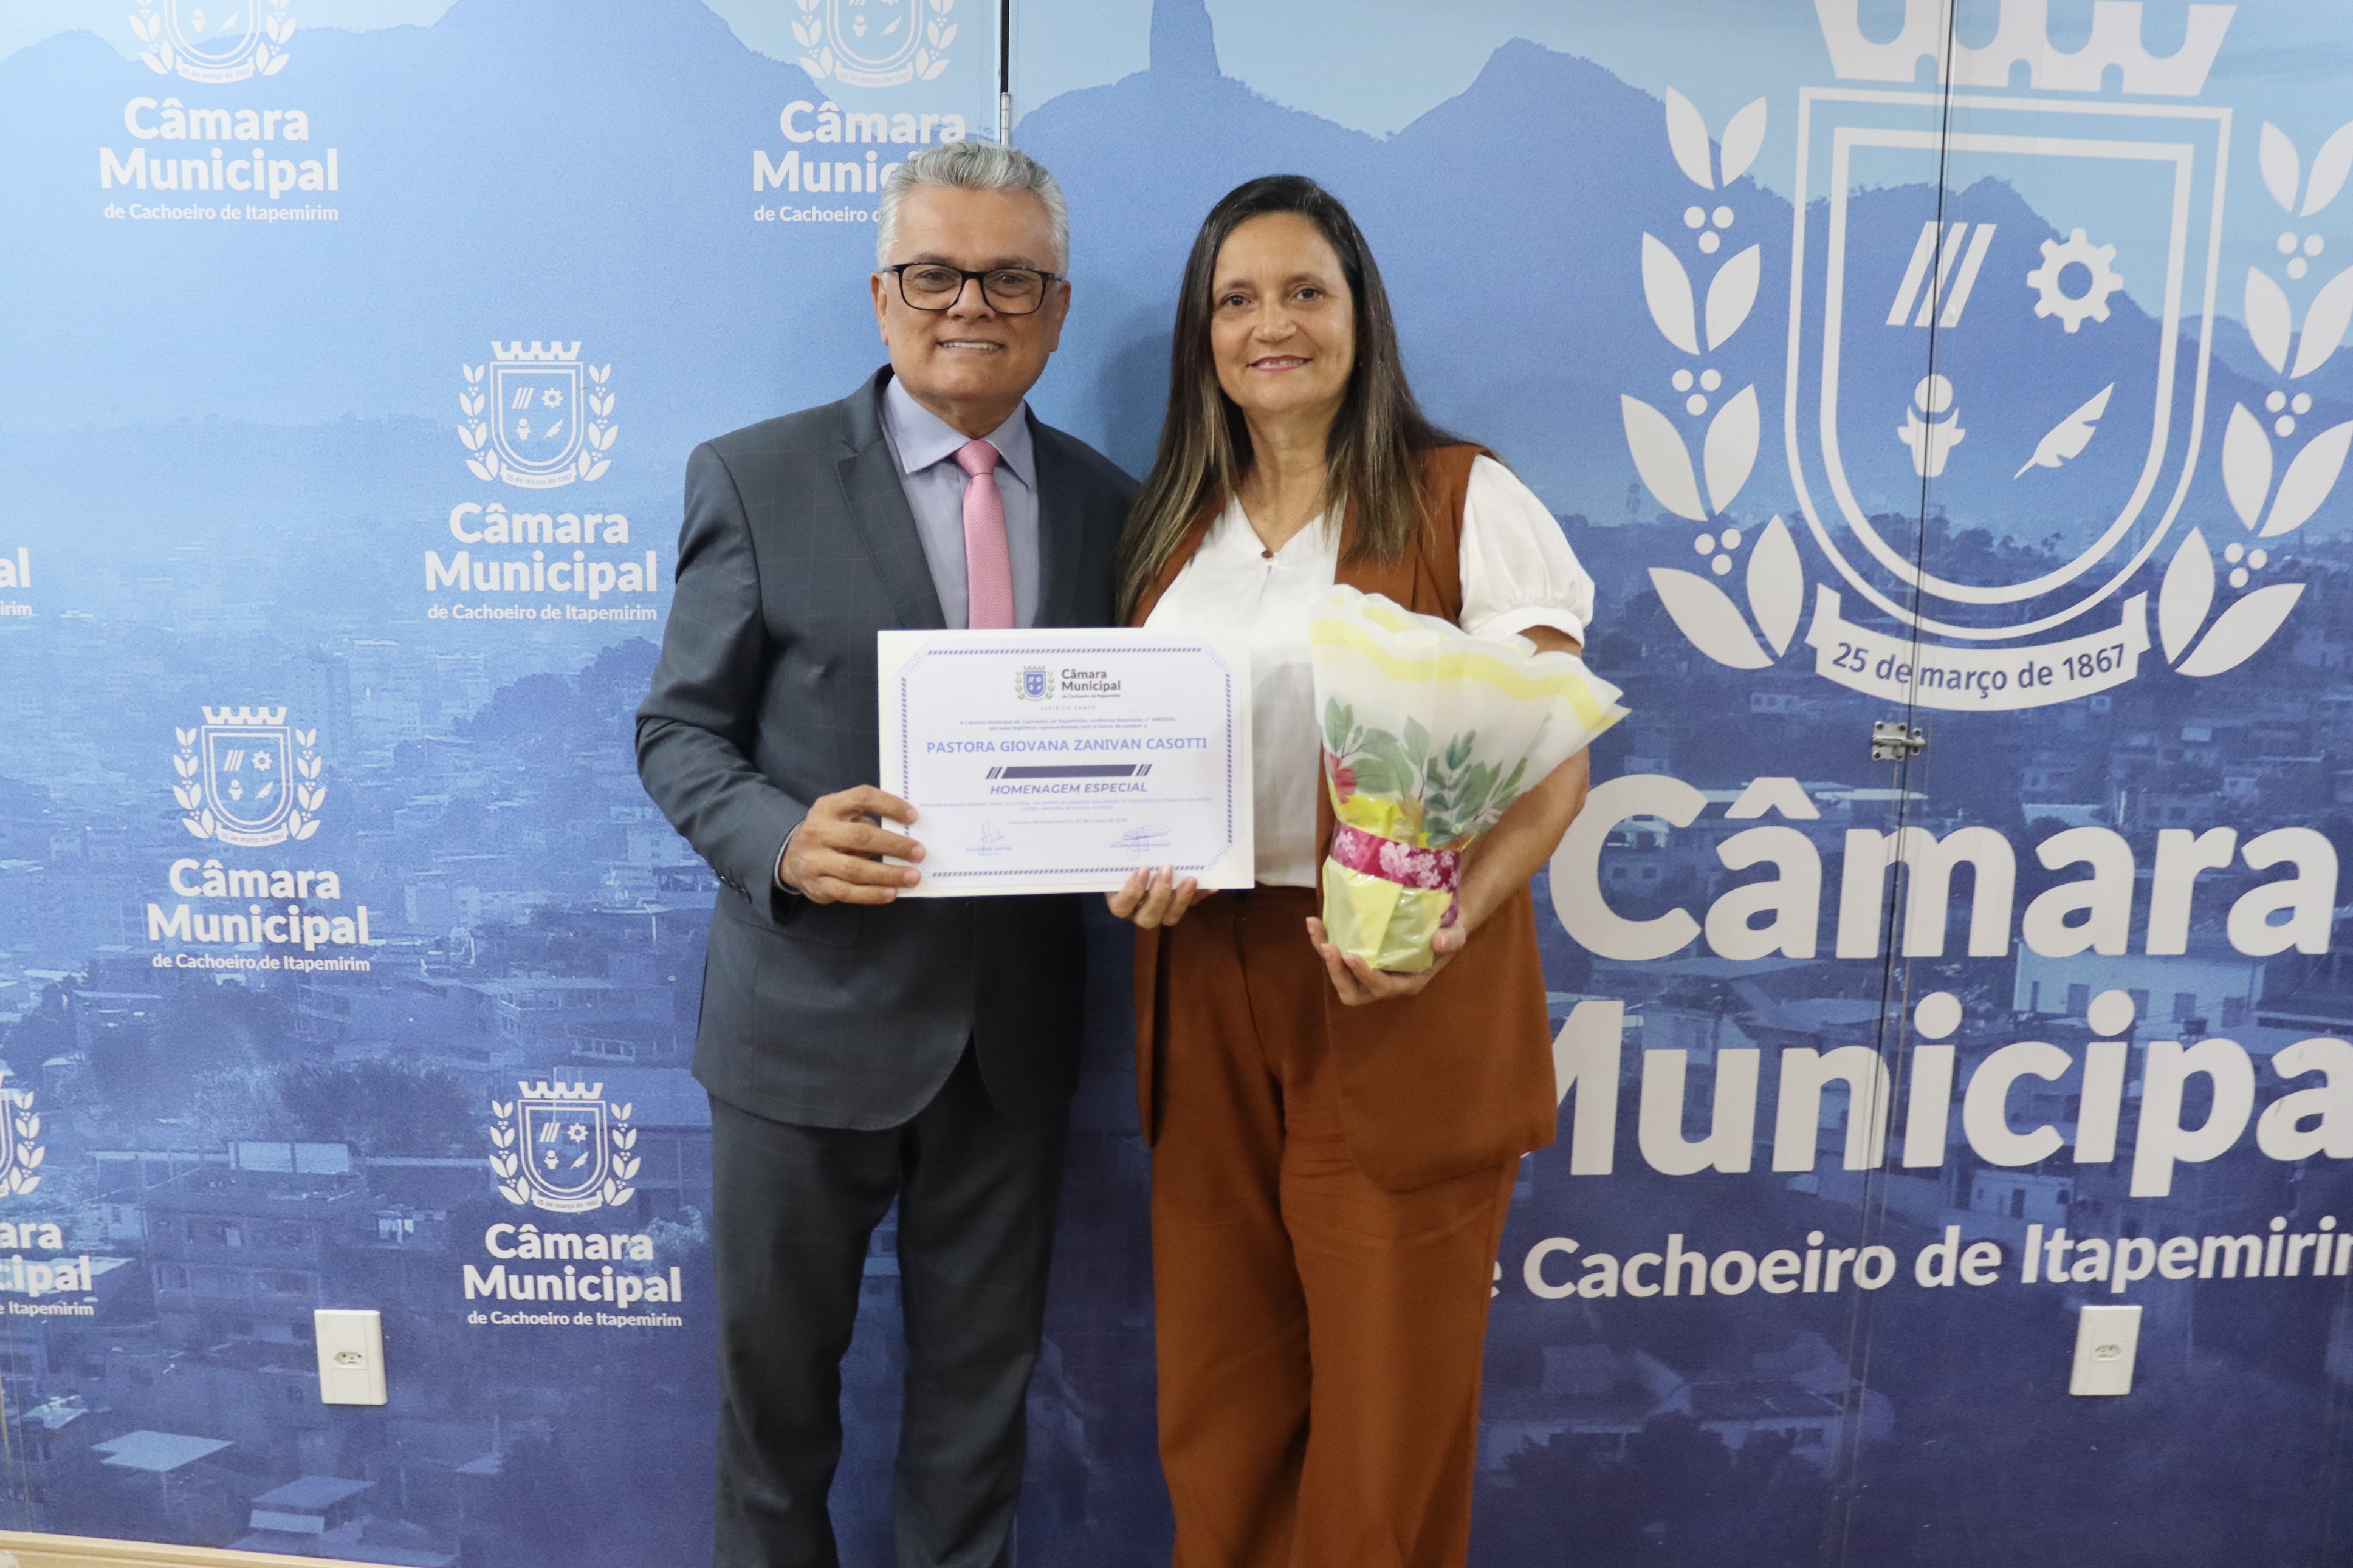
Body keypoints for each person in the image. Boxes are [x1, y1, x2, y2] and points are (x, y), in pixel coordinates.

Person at [636, 141, 1136, 1568]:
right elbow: (678, 733)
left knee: (978, 1422)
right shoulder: (755, 478)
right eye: (933, 274)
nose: (969, 304)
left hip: (1011, 1045)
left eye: (1010, 278)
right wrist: (782, 840)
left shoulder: (1112, 507)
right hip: (801, 1032)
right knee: (775, 1418)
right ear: (880, 295)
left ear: (1055, 309)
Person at [1107, 174, 1596, 1568]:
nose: (1272, 324)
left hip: (1395, 991)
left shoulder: (1463, 496)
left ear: (1360, 315)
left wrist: (1450, 921)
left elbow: (1552, 765)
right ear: (1205, 335)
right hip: (1201, 988)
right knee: (1220, 1407)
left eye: (1304, 292)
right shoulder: (1171, 529)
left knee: (1384, 1432)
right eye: (1237, 299)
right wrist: (1125, 861)